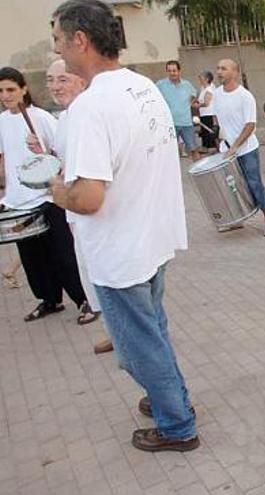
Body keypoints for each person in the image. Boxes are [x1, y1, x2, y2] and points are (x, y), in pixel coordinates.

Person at [50, 0, 199, 451]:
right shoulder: (141, 86)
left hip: (122, 250)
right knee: (153, 331)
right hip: (151, 238)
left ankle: (177, 424)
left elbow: (90, 196)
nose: (55, 48)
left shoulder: (92, 107)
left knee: (138, 347)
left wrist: (58, 190)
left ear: (81, 41)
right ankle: (171, 399)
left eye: (58, 39)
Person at [26, 59, 109, 351]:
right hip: (75, 209)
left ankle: (124, 335)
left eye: (62, 79)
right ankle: (114, 330)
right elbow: (64, 161)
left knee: (105, 272)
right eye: (50, 80)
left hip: (94, 207)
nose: (54, 86)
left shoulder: (88, 114)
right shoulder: (65, 117)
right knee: (90, 269)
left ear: (80, 81)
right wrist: (45, 152)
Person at [0, 66, 93, 324]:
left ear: (24, 89)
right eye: (1, 91)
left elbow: (61, 154)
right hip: (18, 200)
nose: (5, 95)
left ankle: (83, 299)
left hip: (47, 197)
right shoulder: (2, 121)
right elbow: (4, 159)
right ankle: (49, 300)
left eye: (10, 89)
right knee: (32, 259)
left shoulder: (40, 117)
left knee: (62, 253)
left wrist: (42, 151)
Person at [213, 58, 265, 236]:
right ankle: (236, 220)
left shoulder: (245, 96)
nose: (219, 72)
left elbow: (250, 125)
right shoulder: (217, 94)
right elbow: (219, 119)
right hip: (226, 150)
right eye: (218, 68)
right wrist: (222, 141)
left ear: (235, 72)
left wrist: (236, 146)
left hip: (246, 149)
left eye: (223, 69)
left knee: (254, 184)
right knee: (230, 187)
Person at [156, 60, 199, 160]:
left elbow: (193, 99)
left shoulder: (187, 85)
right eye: (169, 71)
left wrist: (195, 104)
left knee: (194, 150)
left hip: (186, 123)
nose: (172, 73)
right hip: (169, 124)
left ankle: (200, 172)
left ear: (179, 71)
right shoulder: (160, 85)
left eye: (174, 71)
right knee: (168, 152)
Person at [195, 70, 217, 153]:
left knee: (208, 131)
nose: (199, 80)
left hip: (209, 113)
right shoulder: (203, 88)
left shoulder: (209, 89)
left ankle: (212, 148)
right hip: (204, 114)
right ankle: (206, 147)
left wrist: (198, 105)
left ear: (207, 79)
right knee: (204, 131)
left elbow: (207, 103)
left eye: (201, 78)